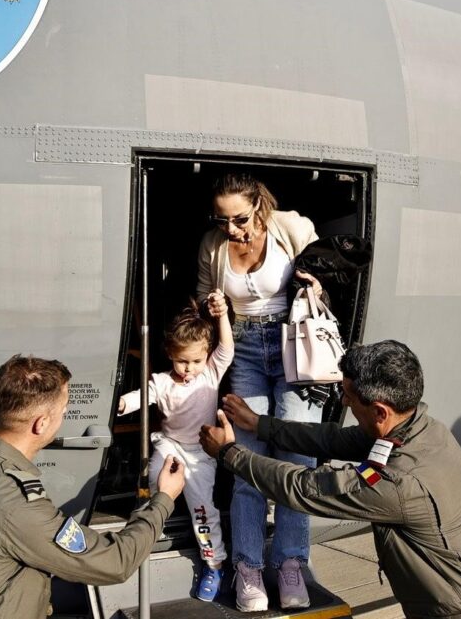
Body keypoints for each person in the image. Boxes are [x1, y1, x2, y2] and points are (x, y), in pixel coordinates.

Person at [200, 340, 461, 619]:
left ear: (380, 411)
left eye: (348, 396)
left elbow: (305, 488)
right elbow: (332, 439)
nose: (343, 402)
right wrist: (261, 425)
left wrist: (230, 454)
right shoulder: (423, 431)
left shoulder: (399, 484)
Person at [0, 355, 185, 619]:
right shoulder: (14, 504)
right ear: (41, 424)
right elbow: (115, 562)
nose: (64, 416)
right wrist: (163, 499)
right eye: (63, 411)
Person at [197, 171, 326, 611]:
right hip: (244, 350)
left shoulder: (289, 226)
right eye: (221, 220)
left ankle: (290, 564)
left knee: (297, 459)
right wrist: (212, 306)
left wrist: (318, 284)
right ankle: (249, 568)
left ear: (258, 205)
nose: (231, 229)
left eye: (239, 219)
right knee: (245, 460)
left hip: (294, 346)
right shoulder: (213, 245)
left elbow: (326, 265)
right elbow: (201, 298)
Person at [116, 294, 233, 601]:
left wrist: (222, 316)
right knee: (154, 475)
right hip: (170, 444)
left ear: (206, 355)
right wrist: (121, 404)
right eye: (182, 361)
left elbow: (227, 348)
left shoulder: (211, 373)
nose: (189, 368)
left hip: (200, 452)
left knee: (203, 510)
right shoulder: (162, 382)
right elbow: (142, 396)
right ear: (170, 353)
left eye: (196, 361)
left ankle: (214, 564)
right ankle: (151, 523)